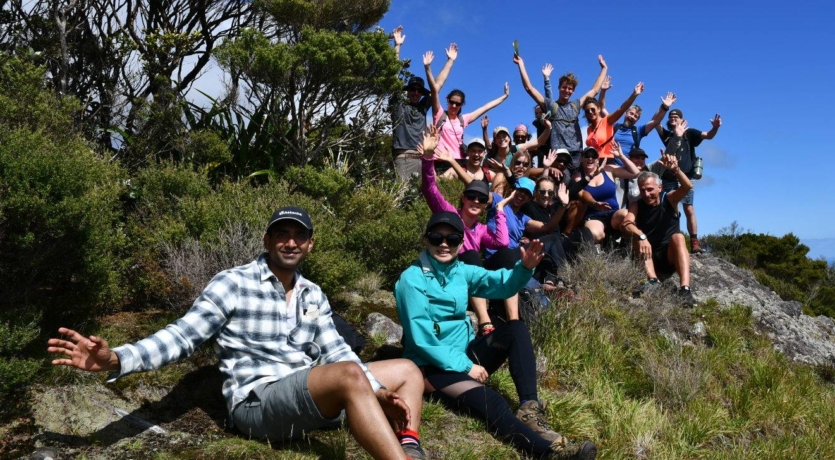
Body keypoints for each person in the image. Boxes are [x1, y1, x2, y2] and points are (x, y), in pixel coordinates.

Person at [47, 207, 428, 460]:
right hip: (258, 402)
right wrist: (117, 358)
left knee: (408, 371)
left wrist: (378, 390)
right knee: (348, 377)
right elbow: (184, 335)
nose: (290, 241)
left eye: (299, 235)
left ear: (310, 244)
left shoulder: (313, 294)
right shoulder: (233, 283)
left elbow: (336, 350)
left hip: (310, 390)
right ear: (267, 241)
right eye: (282, 233)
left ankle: (410, 450)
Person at [394, 211, 598, 460]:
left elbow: (501, 284)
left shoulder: (460, 270)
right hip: (431, 367)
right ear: (426, 240)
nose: (444, 244)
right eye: (437, 237)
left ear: (461, 242)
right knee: (492, 400)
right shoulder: (411, 280)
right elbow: (421, 339)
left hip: (463, 355)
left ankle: (529, 407)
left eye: (453, 238)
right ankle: (548, 454)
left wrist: (524, 268)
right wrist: (466, 366)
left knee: (515, 329)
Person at [419, 125, 514, 336]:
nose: (476, 201)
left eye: (481, 199)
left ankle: (514, 320)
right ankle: (484, 320)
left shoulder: (480, 229)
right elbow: (430, 189)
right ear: (463, 198)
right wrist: (428, 158)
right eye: (471, 196)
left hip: (470, 276)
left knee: (507, 256)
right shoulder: (450, 214)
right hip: (449, 271)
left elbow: (502, 243)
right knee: (470, 255)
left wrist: (498, 210)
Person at [615, 154, 697, 304]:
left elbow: (687, 187)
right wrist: (641, 236)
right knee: (635, 234)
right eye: (643, 190)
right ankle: (652, 280)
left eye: (650, 189)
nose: (646, 194)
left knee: (678, 237)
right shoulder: (637, 204)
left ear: (660, 187)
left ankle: (685, 289)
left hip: (669, 255)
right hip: (647, 254)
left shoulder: (669, 198)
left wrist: (676, 170)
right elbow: (626, 223)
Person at [513, 52, 608, 170]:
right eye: (564, 87)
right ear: (558, 88)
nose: (567, 91)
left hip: (577, 155)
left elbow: (594, 90)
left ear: (573, 91)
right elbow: (529, 88)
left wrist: (604, 68)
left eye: (570, 89)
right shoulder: (552, 106)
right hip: (559, 156)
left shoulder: (575, 105)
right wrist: (521, 64)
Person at [651, 106, 723, 253]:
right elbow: (655, 120)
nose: (673, 118)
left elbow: (708, 135)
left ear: (683, 120)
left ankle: (694, 243)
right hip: (668, 178)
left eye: (676, 116)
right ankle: (669, 240)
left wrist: (715, 128)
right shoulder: (666, 134)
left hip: (686, 177)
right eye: (671, 116)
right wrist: (664, 106)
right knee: (670, 209)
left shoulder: (689, 133)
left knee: (689, 209)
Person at [390, 26, 455, 183]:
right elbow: (393, 74)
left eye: (419, 91)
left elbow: (436, 85)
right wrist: (397, 46)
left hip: (423, 157)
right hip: (403, 158)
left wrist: (450, 61)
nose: (416, 93)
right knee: (402, 199)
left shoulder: (423, 106)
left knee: (423, 201)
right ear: (407, 90)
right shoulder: (398, 103)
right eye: (412, 89)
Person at [423, 48, 509, 165]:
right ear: (447, 100)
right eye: (451, 102)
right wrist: (428, 68)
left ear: (462, 104)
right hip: (439, 159)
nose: (454, 105)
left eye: (457, 103)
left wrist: (503, 97)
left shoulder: (463, 119)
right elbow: (434, 91)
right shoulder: (439, 114)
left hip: (459, 161)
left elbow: (485, 107)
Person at [573, 144, 639, 247]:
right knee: (595, 234)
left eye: (593, 156)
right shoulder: (578, 176)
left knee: (626, 215)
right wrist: (594, 204)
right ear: (582, 159)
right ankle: (603, 246)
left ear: (597, 159)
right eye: (587, 155)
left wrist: (621, 156)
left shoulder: (608, 170)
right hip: (593, 216)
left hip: (613, 214)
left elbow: (635, 172)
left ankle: (627, 247)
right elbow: (581, 193)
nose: (590, 158)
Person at [583, 81, 643, 159]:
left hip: (607, 161)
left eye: (593, 109)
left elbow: (621, 109)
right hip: (593, 162)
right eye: (587, 111)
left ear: (598, 109)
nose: (590, 112)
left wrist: (634, 95)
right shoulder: (589, 129)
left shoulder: (607, 121)